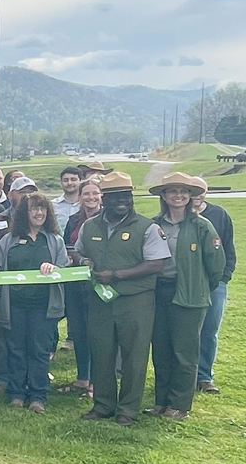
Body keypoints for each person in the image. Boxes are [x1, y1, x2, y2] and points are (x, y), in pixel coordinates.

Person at [74, 171, 169, 426]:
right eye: (116, 196)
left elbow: (156, 265)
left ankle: (128, 409)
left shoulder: (148, 227)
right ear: (104, 198)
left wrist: (116, 275)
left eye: (126, 196)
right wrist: (83, 261)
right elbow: (77, 252)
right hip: (100, 301)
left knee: (134, 356)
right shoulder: (89, 225)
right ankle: (103, 405)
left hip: (135, 301)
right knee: (101, 352)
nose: (122, 201)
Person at [145, 173, 225, 420]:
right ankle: (161, 401)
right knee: (161, 349)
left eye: (183, 192)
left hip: (189, 296)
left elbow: (216, 265)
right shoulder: (154, 224)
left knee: (184, 352)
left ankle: (180, 405)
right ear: (164, 196)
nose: (178, 196)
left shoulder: (202, 226)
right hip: (160, 292)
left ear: (190, 196)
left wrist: (198, 286)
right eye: (172, 191)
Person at [0, 194, 68, 413]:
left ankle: (38, 395)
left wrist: (54, 269)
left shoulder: (54, 240)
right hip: (14, 306)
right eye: (33, 209)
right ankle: (17, 393)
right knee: (16, 350)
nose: (39, 213)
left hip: (43, 306)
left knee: (39, 351)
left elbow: (65, 270)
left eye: (42, 208)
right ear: (24, 213)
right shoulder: (8, 241)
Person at [0, 176, 39, 385]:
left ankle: (33, 376)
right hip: (4, 289)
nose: (26, 196)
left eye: (31, 191)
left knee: (33, 337)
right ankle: (3, 377)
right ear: (10, 194)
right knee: (2, 337)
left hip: (33, 291)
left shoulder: (42, 222)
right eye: (22, 191)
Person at [57, 178, 103, 398]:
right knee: (79, 331)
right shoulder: (74, 219)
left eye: (95, 193)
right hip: (76, 283)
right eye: (87, 194)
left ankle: (97, 382)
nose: (91, 198)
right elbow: (67, 246)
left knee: (97, 332)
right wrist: (79, 259)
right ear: (80, 196)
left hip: (101, 283)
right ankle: (82, 378)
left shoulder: (108, 218)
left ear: (101, 195)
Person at [193, 178, 235, 394]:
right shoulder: (180, 216)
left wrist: (223, 277)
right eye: (194, 190)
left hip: (214, 283)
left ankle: (204, 377)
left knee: (209, 330)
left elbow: (228, 248)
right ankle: (183, 376)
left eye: (202, 190)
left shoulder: (219, 215)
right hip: (187, 283)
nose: (197, 194)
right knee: (186, 332)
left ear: (206, 192)